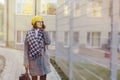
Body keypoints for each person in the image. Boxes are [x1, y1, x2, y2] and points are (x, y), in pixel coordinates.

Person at [24, 15, 51, 80]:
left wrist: (45, 31)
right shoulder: (29, 33)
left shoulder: (44, 32)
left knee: (43, 78)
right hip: (33, 60)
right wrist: (26, 61)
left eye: (41, 22)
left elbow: (48, 42)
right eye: (38, 22)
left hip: (43, 60)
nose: (40, 23)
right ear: (34, 23)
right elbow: (26, 48)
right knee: (34, 78)